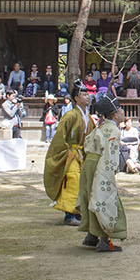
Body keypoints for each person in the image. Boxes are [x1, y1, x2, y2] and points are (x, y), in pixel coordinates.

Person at [75, 95, 129, 252]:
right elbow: (110, 155)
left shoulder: (99, 128)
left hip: (89, 164)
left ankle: (92, 234)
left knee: (89, 196)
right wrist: (110, 172)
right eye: (120, 110)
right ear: (115, 115)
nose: (123, 112)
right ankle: (105, 239)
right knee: (103, 198)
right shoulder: (113, 130)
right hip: (101, 164)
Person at [43, 84, 90, 225]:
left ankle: (78, 211)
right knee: (72, 181)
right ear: (76, 98)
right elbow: (60, 135)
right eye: (84, 95)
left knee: (83, 182)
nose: (87, 96)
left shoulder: (88, 116)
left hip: (82, 152)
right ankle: (69, 215)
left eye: (88, 94)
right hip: (71, 153)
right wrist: (66, 151)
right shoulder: (70, 115)